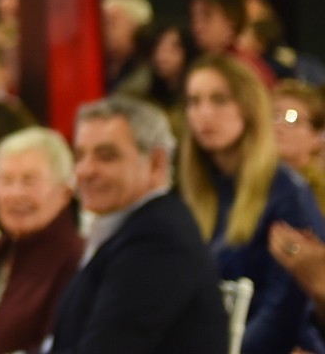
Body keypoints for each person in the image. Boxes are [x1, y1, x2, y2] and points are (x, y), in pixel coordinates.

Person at [46, 96, 228, 354]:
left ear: (156, 163)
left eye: (106, 157)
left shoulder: (159, 240)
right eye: (80, 156)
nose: (85, 171)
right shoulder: (134, 227)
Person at [180, 53, 325, 354]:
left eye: (219, 100)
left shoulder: (288, 193)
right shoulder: (196, 191)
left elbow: (285, 309)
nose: (204, 113)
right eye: (194, 101)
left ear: (249, 107)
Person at [0, 127, 84, 354]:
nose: (15, 194)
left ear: (66, 191)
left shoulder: (76, 259)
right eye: (6, 181)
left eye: (29, 181)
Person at [190, 0, 277, 88]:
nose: (198, 27)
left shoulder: (248, 69)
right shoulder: (197, 66)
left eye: (206, 17)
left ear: (231, 19)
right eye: (195, 19)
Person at [273, 80, 325, 206]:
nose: (279, 127)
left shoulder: (318, 196)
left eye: (292, 120)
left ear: (316, 137)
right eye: (275, 116)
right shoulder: (244, 175)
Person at [101, 0, 156, 98]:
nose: (102, 29)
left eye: (110, 22)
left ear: (135, 27)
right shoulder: (93, 68)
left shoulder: (153, 77)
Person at [149, 22, 191, 112]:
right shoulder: (148, 87)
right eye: (160, 46)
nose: (163, 54)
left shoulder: (192, 91)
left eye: (173, 48)